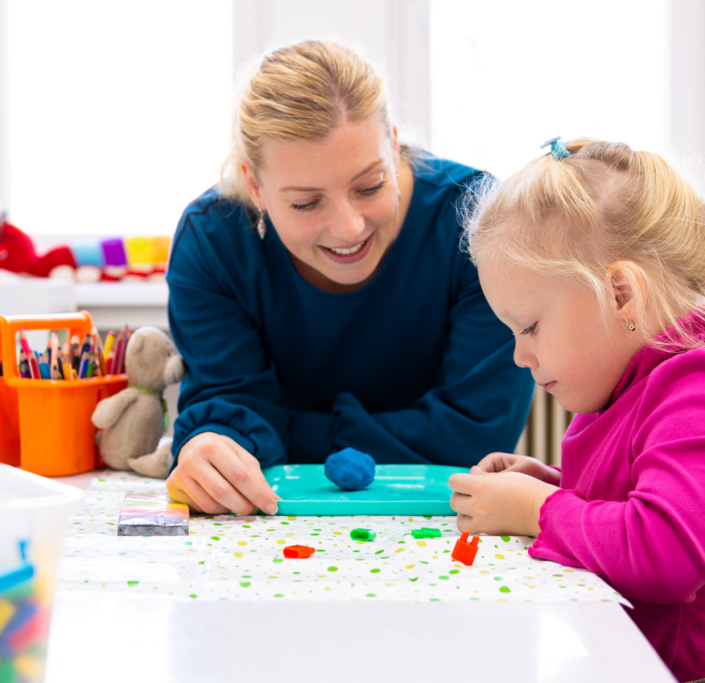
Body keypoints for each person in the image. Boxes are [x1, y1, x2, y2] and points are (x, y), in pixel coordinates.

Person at [451, 138, 705, 683]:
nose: (518, 355)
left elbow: (667, 553)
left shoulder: (702, 385)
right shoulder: (630, 376)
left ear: (622, 293)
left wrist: (538, 510)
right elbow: (638, 496)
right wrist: (555, 486)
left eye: (529, 327)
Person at [165, 40, 534, 518]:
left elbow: (476, 435)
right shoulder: (212, 241)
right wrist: (212, 448)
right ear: (254, 186)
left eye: (370, 185)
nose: (349, 228)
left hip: (446, 521)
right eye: (305, 203)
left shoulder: (480, 222)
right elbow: (228, 411)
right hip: (275, 526)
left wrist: (283, 435)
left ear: (394, 144)